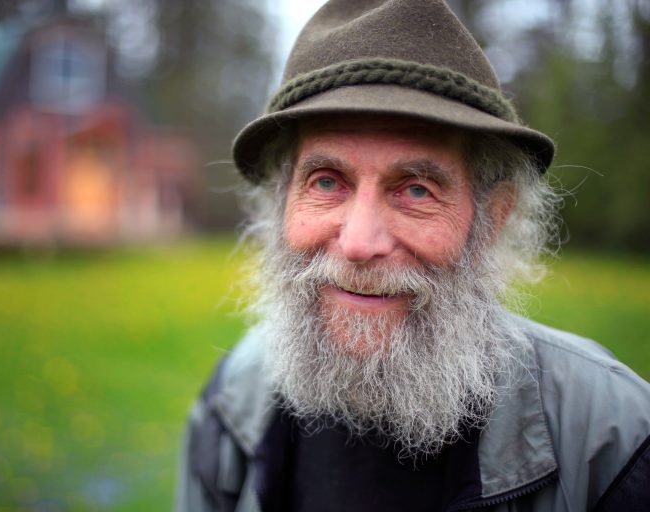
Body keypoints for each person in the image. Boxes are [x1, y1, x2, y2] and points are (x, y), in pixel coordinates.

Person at [176, 1, 650, 510]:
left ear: (490, 219)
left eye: (417, 190)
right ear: (283, 202)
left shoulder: (613, 439)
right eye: (327, 182)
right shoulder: (233, 400)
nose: (359, 243)